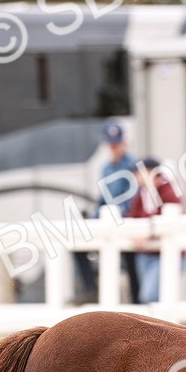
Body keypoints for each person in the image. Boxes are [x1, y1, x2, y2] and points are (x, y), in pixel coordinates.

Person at [80, 120, 139, 303]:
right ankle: (91, 289)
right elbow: (103, 198)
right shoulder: (106, 168)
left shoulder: (133, 166)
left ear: (124, 143)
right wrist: (94, 217)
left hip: (126, 221)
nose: (113, 149)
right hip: (108, 220)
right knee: (78, 244)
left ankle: (136, 298)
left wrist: (117, 214)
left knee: (131, 257)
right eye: (111, 145)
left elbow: (132, 198)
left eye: (116, 144)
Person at [126, 157, 183, 303]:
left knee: (151, 296)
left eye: (139, 173)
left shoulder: (167, 190)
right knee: (149, 297)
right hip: (147, 253)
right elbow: (132, 216)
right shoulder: (143, 193)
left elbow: (168, 217)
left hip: (163, 253)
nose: (136, 177)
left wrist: (148, 234)